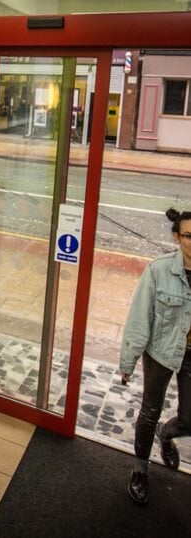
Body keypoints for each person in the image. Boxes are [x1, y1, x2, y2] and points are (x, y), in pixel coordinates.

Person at [120, 208, 191, 505]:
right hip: (160, 351)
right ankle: (140, 468)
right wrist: (128, 361)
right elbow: (140, 317)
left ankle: (167, 432)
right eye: (188, 235)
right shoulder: (159, 269)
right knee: (150, 411)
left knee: (190, 419)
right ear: (176, 236)